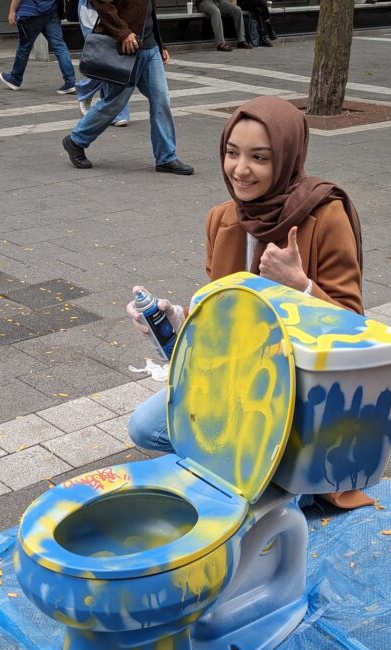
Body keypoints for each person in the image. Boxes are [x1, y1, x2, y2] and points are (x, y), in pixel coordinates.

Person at [126, 96, 374, 510]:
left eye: (259, 157)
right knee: (144, 427)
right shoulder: (223, 218)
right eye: (232, 153)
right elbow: (226, 315)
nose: (241, 170)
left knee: (260, 491)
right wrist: (175, 318)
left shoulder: (326, 215)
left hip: (302, 387)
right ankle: (264, 468)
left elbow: (354, 325)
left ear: (288, 157)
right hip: (240, 375)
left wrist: (300, 286)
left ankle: (279, 472)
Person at [61, 0, 194, 174]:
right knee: (115, 103)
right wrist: (123, 33)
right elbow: (102, 4)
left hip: (149, 46)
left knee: (161, 100)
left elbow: (148, 11)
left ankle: (166, 157)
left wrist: (160, 45)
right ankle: (76, 140)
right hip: (125, 47)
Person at [0, 0, 77, 94]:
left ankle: (15, 78)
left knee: (24, 47)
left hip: (30, 12)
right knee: (60, 46)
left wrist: (12, 12)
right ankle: (70, 81)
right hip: (50, 11)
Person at [75, 0, 130, 126]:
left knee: (113, 60)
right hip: (93, 12)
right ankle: (116, 110)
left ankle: (112, 108)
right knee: (105, 58)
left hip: (116, 12)